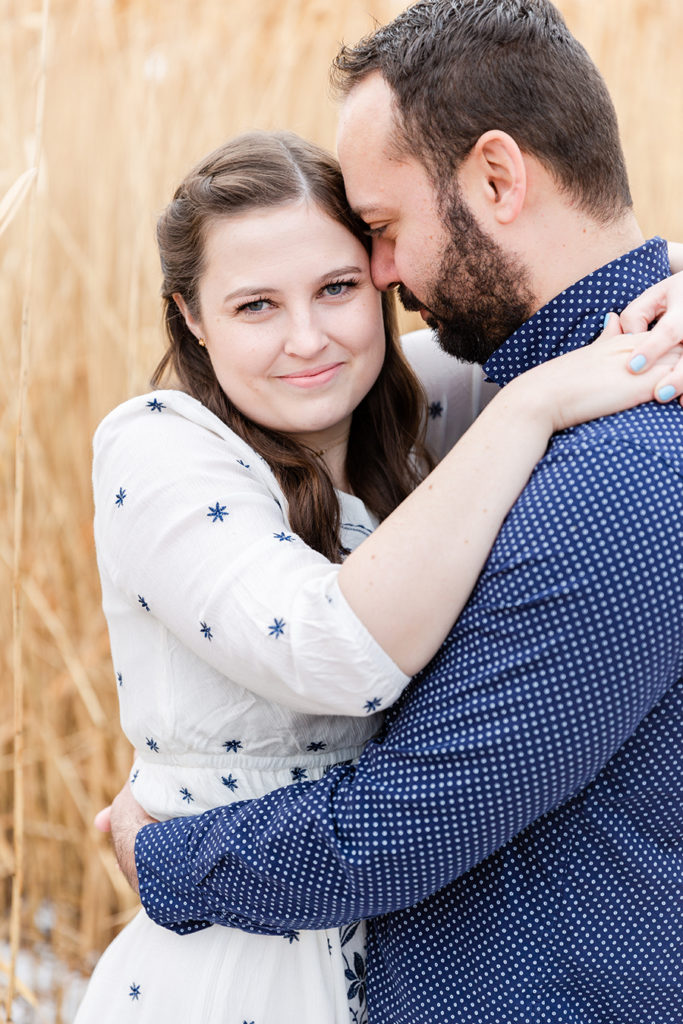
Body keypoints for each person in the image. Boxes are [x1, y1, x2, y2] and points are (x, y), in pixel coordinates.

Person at [101, 3, 683, 1023]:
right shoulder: (508, 397)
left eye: (376, 232)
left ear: (496, 180)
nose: (376, 280)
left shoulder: (613, 469)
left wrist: (167, 856)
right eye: (253, 304)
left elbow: (401, 825)